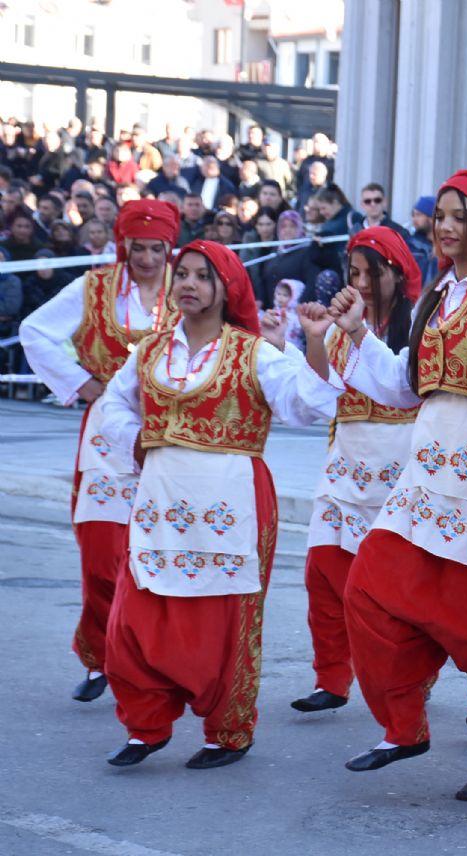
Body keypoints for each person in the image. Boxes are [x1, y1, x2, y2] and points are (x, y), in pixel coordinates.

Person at [324, 169, 467, 800]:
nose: (444, 226)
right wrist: (359, 332)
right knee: (370, 587)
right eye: (440, 214)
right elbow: (403, 387)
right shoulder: (440, 293)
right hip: (429, 464)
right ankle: (404, 722)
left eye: (458, 215)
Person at [96, 240, 341, 769]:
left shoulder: (253, 352)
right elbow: (112, 403)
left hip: (232, 503)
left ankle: (228, 731)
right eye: (180, 273)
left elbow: (312, 405)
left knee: (224, 620)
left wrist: (315, 344)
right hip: (160, 500)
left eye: (201, 276)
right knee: (133, 616)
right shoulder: (151, 349)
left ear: (225, 288)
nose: (186, 283)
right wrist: (136, 438)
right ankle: (146, 724)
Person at [18, 200, 182, 702]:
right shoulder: (93, 287)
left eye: (158, 248)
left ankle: (151, 659)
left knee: (164, 553)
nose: (148, 258)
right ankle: (100, 655)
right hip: (107, 434)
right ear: (122, 242)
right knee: (102, 550)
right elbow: (34, 331)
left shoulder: (191, 284)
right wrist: (81, 383)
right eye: (139, 246)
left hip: (170, 432)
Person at [291, 227, 420, 714]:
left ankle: (408, 677)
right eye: (354, 273)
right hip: (344, 461)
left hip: (398, 467)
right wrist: (315, 338)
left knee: (391, 589)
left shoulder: (418, 325)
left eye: (371, 272)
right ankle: (331, 678)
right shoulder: (344, 326)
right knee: (323, 574)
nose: (361, 283)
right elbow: (321, 393)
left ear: (396, 273)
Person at [406, 194, 437, 281]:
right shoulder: (411, 245)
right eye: (413, 215)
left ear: (431, 218)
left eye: (418, 215)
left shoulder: (447, 247)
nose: (414, 219)